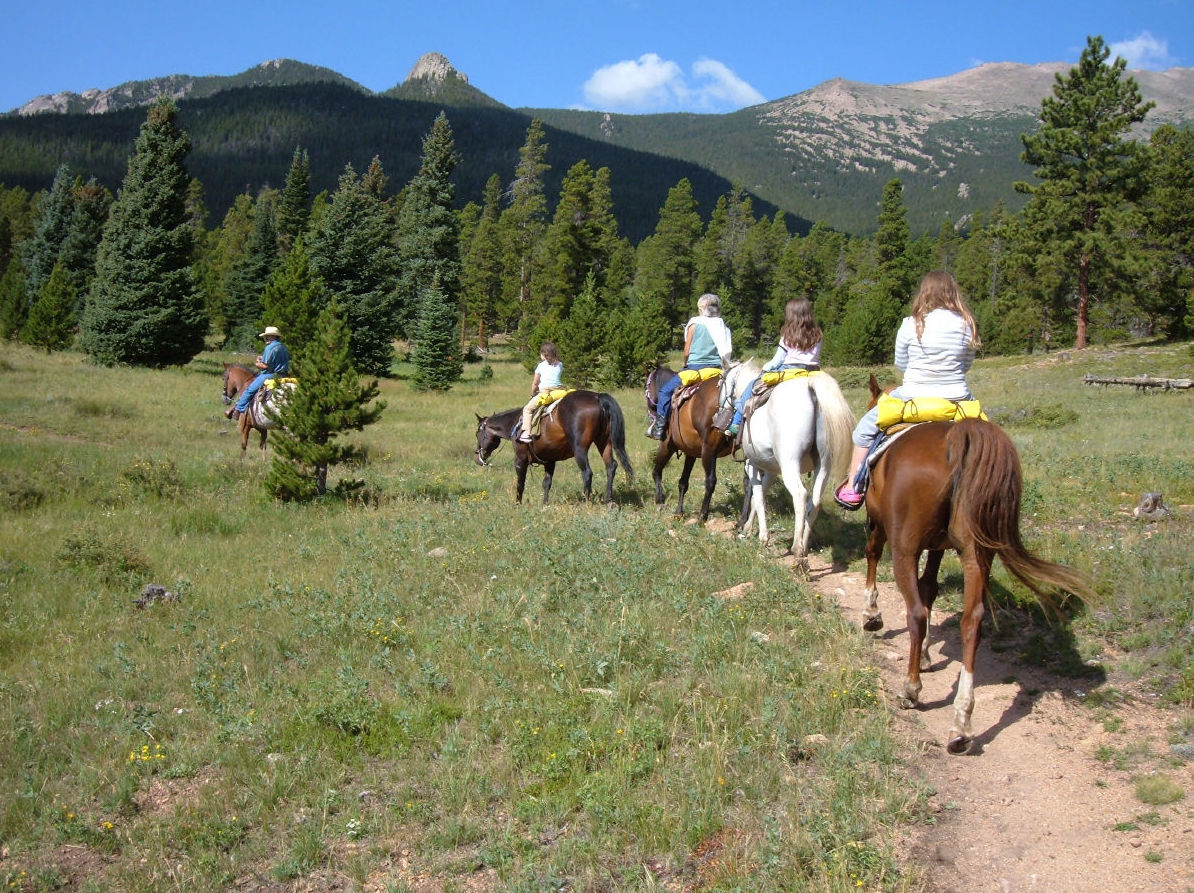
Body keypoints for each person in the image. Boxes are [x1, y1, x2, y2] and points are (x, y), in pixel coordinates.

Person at [834, 271, 980, 510]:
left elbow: (901, 364)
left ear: (925, 293)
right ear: (953, 293)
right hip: (957, 400)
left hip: (914, 396)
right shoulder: (967, 323)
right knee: (988, 437)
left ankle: (853, 487)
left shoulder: (911, 324)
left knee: (862, 432)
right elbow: (966, 364)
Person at [725, 297, 822, 437]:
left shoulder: (788, 335)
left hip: (789, 371)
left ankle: (736, 421)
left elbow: (778, 360)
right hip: (813, 373)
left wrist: (765, 367)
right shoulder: (818, 335)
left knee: (753, 385)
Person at [648, 293, 732, 439]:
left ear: (701, 308)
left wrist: (685, 363)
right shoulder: (722, 325)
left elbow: (687, 350)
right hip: (715, 370)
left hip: (695, 369)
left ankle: (660, 428)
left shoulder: (694, 324)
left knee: (665, 392)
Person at [226, 325, 291, 421]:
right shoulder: (283, 347)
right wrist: (262, 358)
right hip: (284, 374)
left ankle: (238, 410)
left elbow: (265, 366)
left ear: (273, 336)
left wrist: (257, 363)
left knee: (250, 389)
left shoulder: (270, 347)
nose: (266, 338)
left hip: (270, 375)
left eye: (267, 336)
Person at [518, 342, 564, 442]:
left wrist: (533, 394)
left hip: (545, 392)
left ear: (545, 354)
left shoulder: (541, 366)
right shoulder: (560, 364)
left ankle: (527, 433)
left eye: (541, 353)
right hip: (560, 391)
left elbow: (535, 384)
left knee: (527, 409)